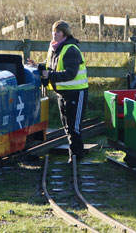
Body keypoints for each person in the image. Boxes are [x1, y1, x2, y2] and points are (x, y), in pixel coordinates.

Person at [28, 20, 88, 164]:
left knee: (74, 128)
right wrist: (38, 66)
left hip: (76, 93)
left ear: (65, 34)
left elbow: (70, 73)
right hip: (62, 93)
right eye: (53, 31)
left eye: (58, 31)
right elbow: (51, 67)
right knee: (67, 126)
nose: (55, 34)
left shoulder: (71, 49)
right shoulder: (55, 48)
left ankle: (76, 158)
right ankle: (73, 157)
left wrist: (50, 76)